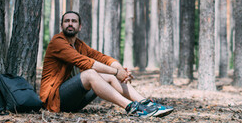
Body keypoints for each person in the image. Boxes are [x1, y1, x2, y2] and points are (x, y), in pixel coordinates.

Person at [39, 11, 173, 117]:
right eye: (66, 21)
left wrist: (120, 70)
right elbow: (86, 63)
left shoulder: (79, 44)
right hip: (54, 100)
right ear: (61, 25)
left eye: (73, 21)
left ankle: (146, 104)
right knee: (90, 74)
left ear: (79, 27)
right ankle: (132, 108)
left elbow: (101, 57)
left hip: (73, 102)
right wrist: (116, 72)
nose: (70, 24)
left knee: (108, 76)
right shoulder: (58, 42)